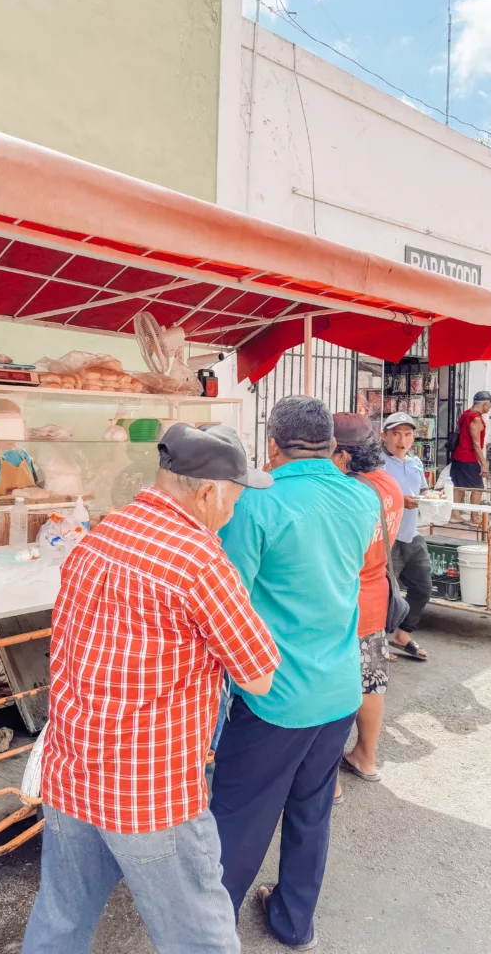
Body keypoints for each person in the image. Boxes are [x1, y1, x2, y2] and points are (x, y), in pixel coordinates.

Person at [21, 424, 280, 954]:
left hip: (72, 769)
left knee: (61, 916)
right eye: (234, 498)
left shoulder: (103, 533)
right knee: (200, 939)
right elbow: (258, 674)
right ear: (209, 492)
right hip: (150, 788)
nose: (233, 512)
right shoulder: (200, 560)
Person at [211, 396, 379, 951]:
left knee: (239, 815)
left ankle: (207, 931)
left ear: (272, 444)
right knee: (311, 811)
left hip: (274, 694)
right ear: (332, 444)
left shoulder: (257, 504)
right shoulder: (361, 498)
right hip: (338, 688)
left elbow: (228, 598)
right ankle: (293, 922)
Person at [331, 414, 403, 799]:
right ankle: (366, 757)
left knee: (338, 691)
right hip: (376, 597)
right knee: (371, 683)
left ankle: (331, 782)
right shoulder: (388, 484)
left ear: (341, 454)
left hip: (345, 602)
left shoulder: (347, 493)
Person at [382, 412, 431, 661]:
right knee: (384, 592)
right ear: (385, 435)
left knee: (423, 587)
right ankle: (377, 642)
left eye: (408, 434)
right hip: (387, 536)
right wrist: (399, 501)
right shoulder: (377, 463)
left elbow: (422, 490)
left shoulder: (415, 463)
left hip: (412, 534)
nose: (402, 440)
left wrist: (433, 497)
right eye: (396, 434)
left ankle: (402, 634)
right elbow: (368, 495)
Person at [451, 391, 491, 525]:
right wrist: (484, 464)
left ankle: (455, 515)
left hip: (459, 456)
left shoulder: (466, 414)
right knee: (478, 488)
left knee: (459, 486)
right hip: (469, 458)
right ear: (485, 404)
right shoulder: (476, 419)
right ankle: (474, 518)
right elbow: (476, 443)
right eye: (490, 405)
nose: (490, 408)